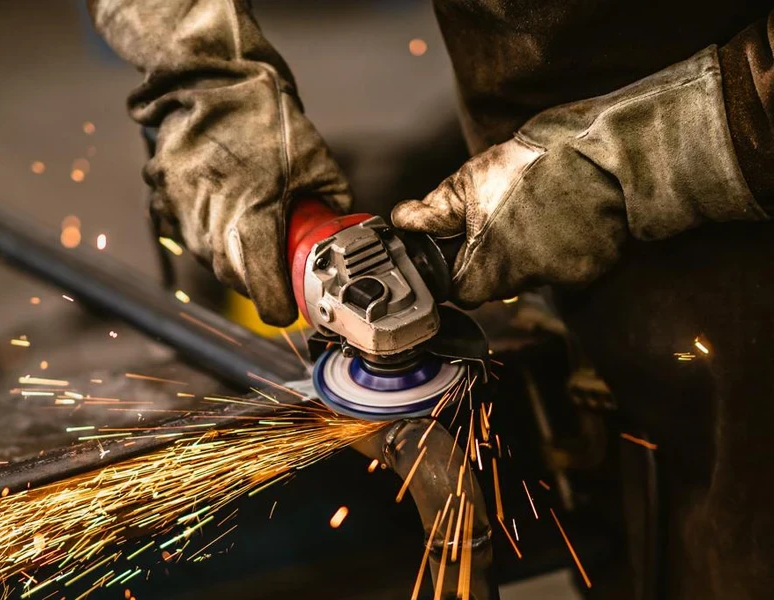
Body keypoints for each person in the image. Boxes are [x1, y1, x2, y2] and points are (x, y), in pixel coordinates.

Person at [88, 2, 773, 598]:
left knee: (737, 508)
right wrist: (205, 85)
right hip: (526, 117)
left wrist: (621, 164)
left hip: (743, 173)